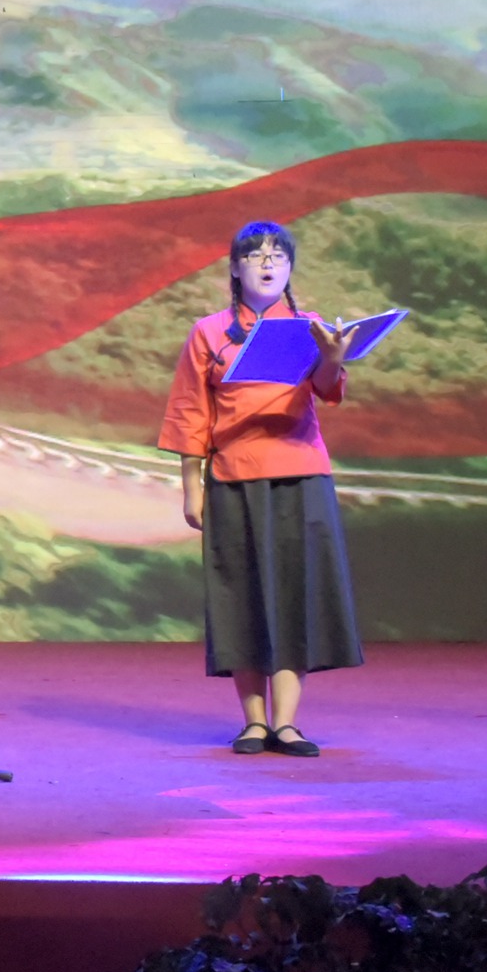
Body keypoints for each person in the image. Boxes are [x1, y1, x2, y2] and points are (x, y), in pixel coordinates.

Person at [158, 219, 363, 757]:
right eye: (255, 255)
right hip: (234, 477)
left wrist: (333, 358)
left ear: (290, 268)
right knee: (242, 598)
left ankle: (287, 723)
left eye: (278, 255)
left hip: (300, 474)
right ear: (235, 268)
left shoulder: (311, 327)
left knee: (296, 594)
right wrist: (191, 487)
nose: (268, 263)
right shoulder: (209, 332)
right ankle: (253, 721)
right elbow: (190, 411)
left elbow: (326, 389)